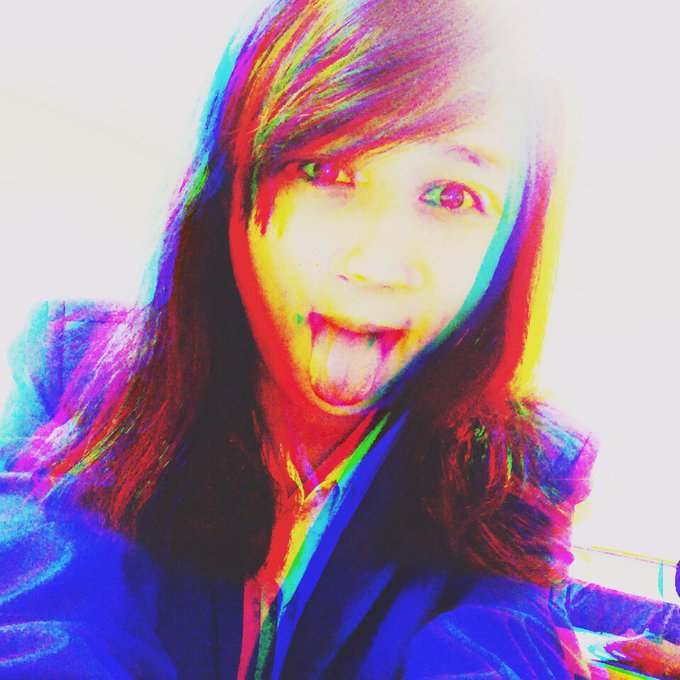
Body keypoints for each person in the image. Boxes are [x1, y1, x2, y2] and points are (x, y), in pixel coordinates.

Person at [0, 0, 595, 677]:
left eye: (452, 196)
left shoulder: (527, 467)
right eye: (325, 172)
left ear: (513, 241)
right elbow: (44, 621)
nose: (378, 264)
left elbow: (502, 647)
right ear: (230, 190)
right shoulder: (77, 370)